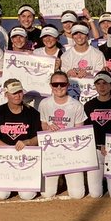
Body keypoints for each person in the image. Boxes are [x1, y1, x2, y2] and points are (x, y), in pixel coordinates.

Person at [0, 78, 42, 201]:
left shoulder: (32, 113)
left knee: (27, 196)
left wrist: (27, 142)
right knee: (1, 195)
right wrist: (7, 148)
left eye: (20, 92)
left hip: (26, 159)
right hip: (4, 160)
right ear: (6, 94)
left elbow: (39, 137)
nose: (17, 96)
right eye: (13, 93)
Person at [39, 70, 89, 199]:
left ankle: (65, 178)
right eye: (55, 85)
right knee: (47, 193)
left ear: (68, 85)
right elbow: (43, 124)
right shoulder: (44, 104)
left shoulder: (76, 105)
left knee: (78, 195)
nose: (59, 87)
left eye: (62, 84)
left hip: (70, 153)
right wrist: (48, 128)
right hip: (52, 152)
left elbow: (80, 130)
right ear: (50, 86)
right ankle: (60, 180)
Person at [83, 70, 111, 199]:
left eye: (105, 83)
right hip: (96, 151)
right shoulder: (88, 105)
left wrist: (110, 144)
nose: (102, 86)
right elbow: (85, 131)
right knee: (95, 194)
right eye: (98, 83)